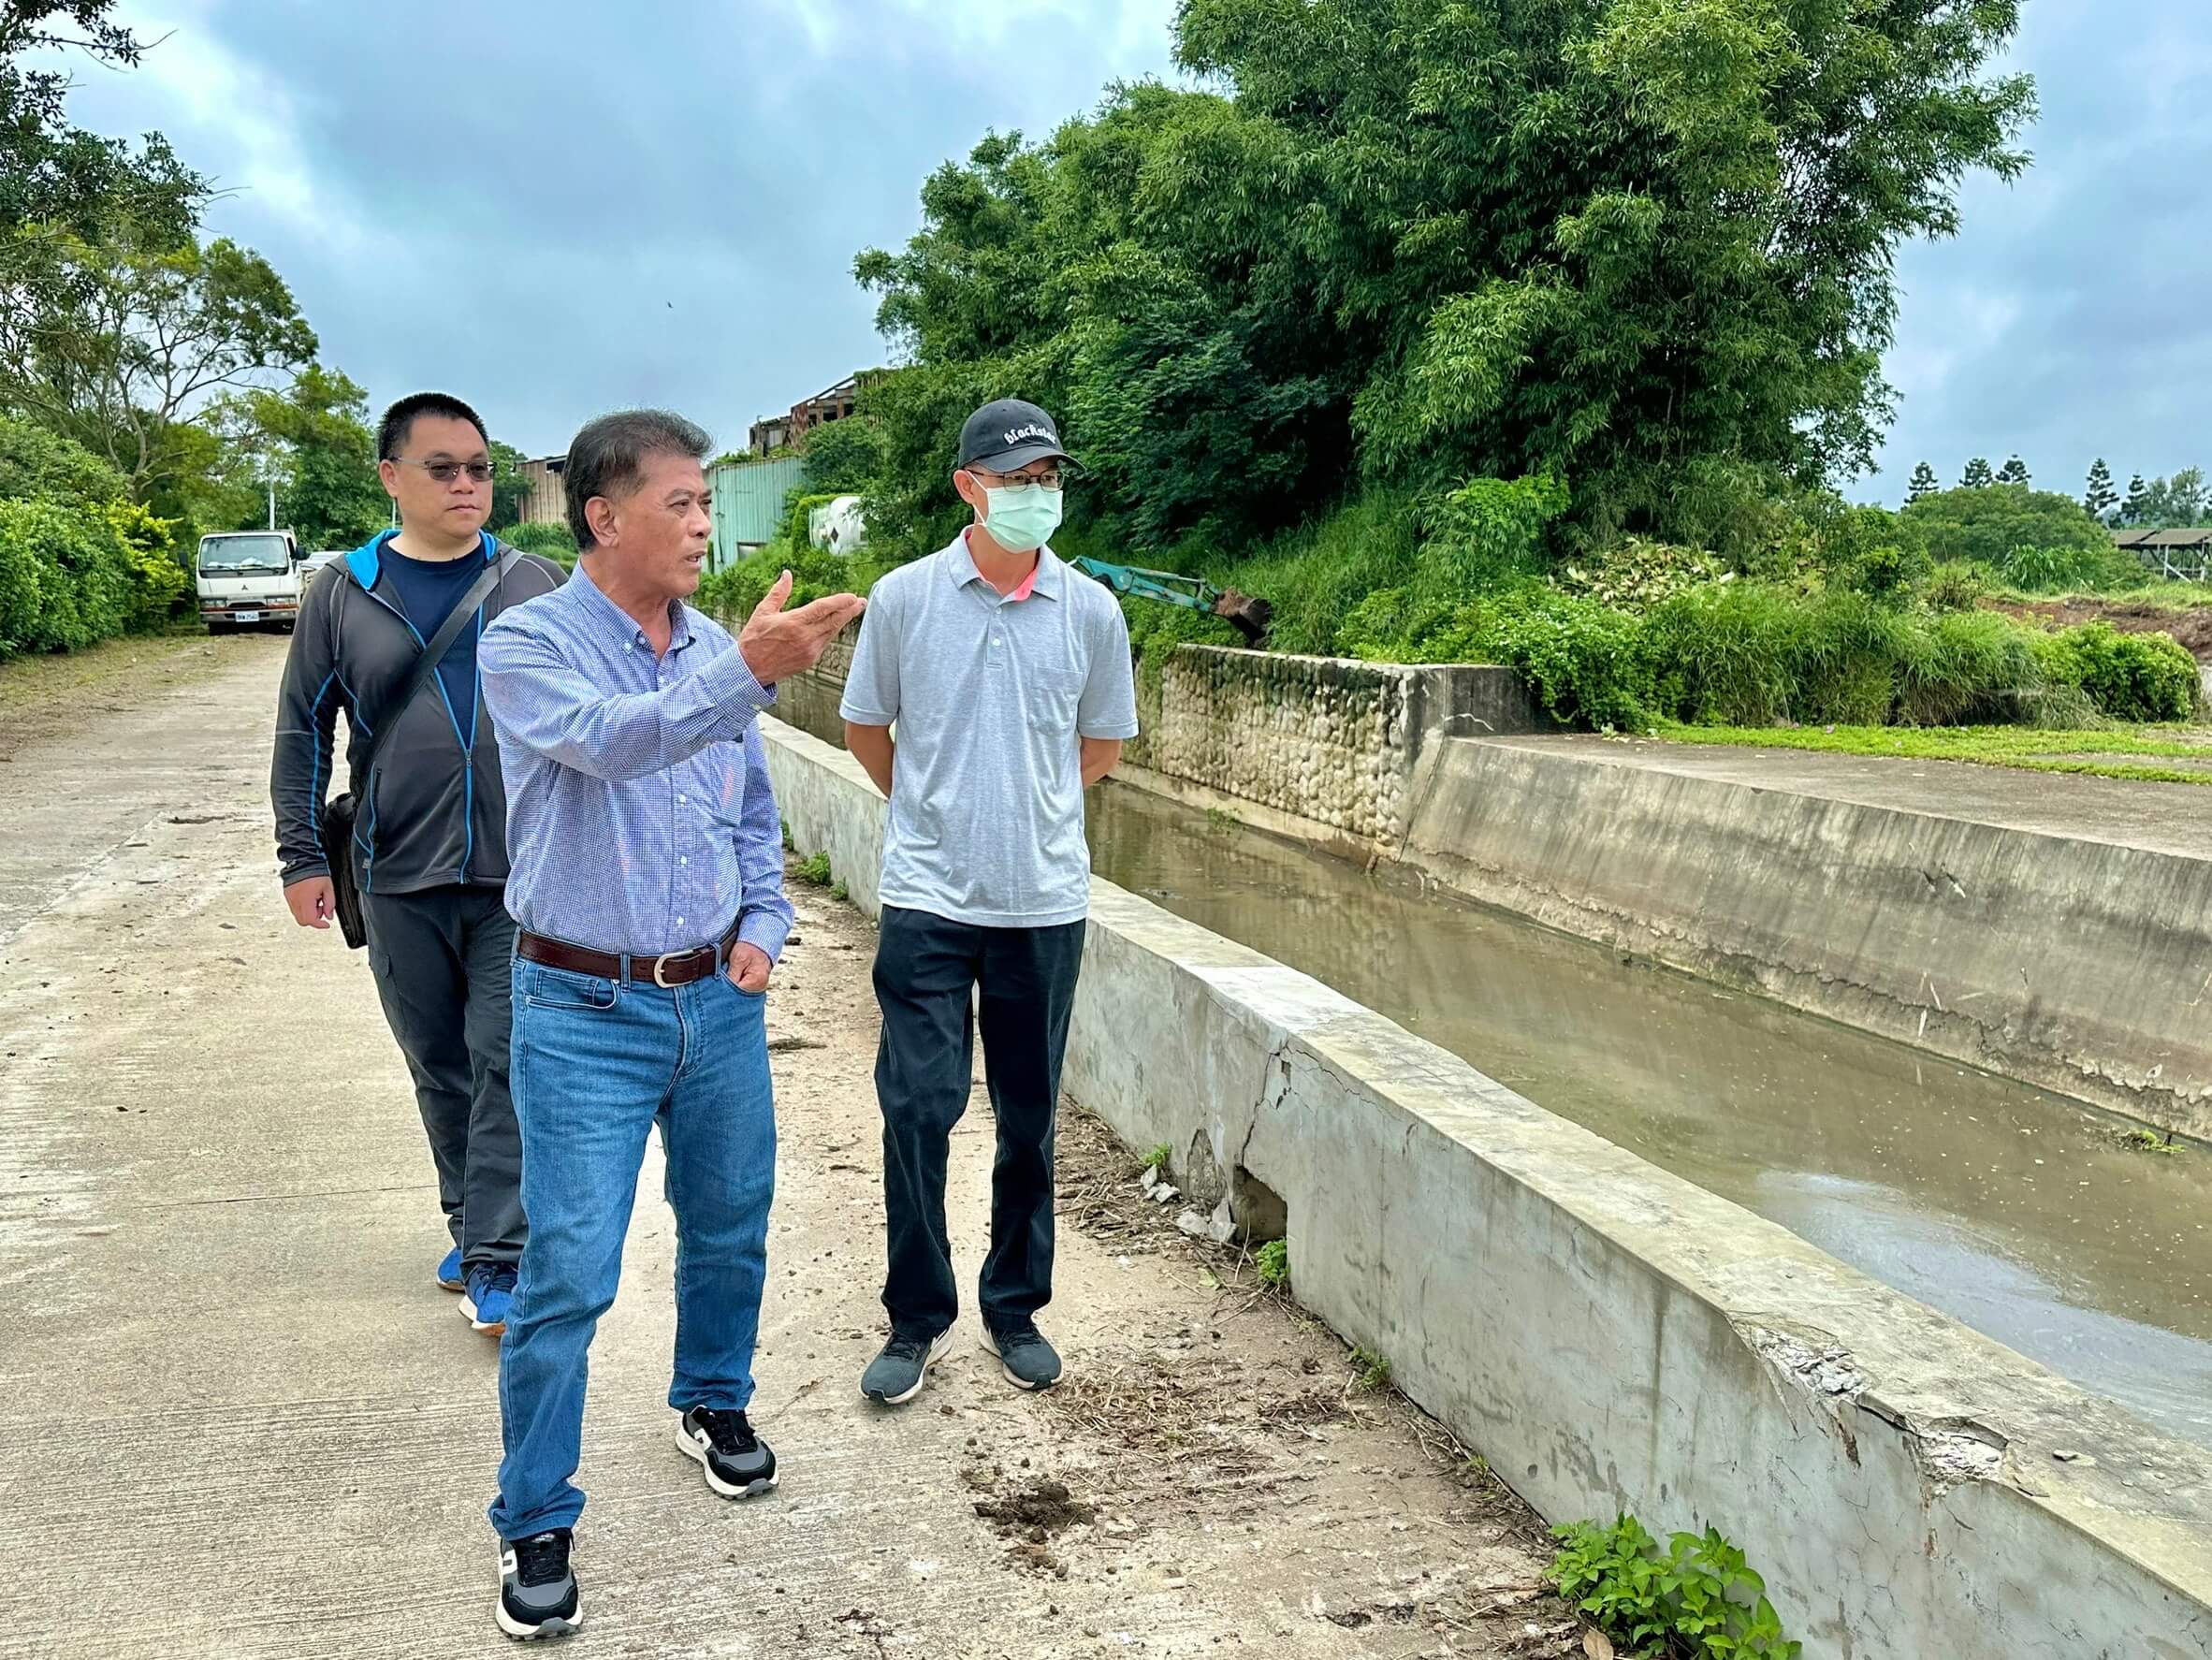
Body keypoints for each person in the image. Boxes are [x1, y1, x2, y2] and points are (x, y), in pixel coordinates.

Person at [476, 409, 864, 1641]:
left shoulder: (708, 647)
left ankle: (711, 1397)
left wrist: (765, 919)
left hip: (716, 1001)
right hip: (581, 1005)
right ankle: (536, 1513)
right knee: (570, 1271)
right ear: (604, 516)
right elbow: (613, 742)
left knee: (732, 1222)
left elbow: (749, 809)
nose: (705, 525)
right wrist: (749, 669)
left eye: (707, 503)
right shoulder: (529, 643)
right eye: (682, 503)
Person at [840, 398, 1138, 1408]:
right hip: (928, 899)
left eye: (1048, 478)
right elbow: (867, 727)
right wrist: (934, 811)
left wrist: (1029, 809)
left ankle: (1015, 1308)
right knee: (917, 1108)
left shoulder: (1091, 611)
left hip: (1042, 904)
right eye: (1017, 480)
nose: (1036, 495)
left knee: (1028, 1116)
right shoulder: (905, 598)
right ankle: (917, 1315)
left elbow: (1100, 747)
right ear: (970, 487)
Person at [271, 391, 565, 1338]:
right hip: (394, 871)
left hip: (522, 876)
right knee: (439, 1065)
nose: (467, 484)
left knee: (506, 1059)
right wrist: (301, 856)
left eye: (480, 468)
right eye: (444, 468)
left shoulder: (536, 582)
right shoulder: (342, 592)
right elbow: (303, 728)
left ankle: (498, 1257)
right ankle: (471, 1223)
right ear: (392, 476)